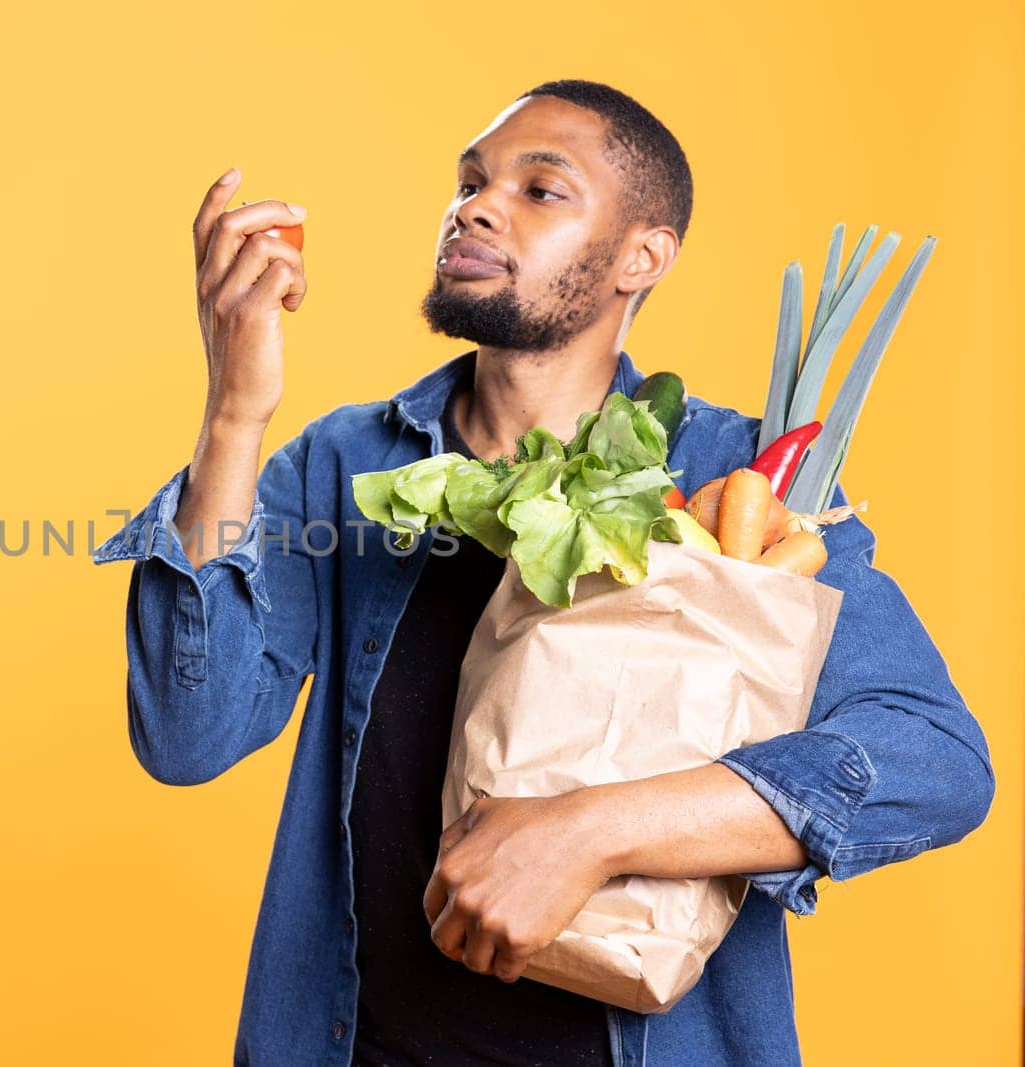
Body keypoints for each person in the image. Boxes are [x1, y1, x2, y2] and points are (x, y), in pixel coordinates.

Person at [91, 79, 994, 1066]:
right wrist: (234, 413)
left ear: (642, 256)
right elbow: (187, 735)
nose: (475, 205)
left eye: (538, 189)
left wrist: (595, 829)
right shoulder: (346, 465)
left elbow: (932, 759)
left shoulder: (743, 486)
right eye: (470, 181)